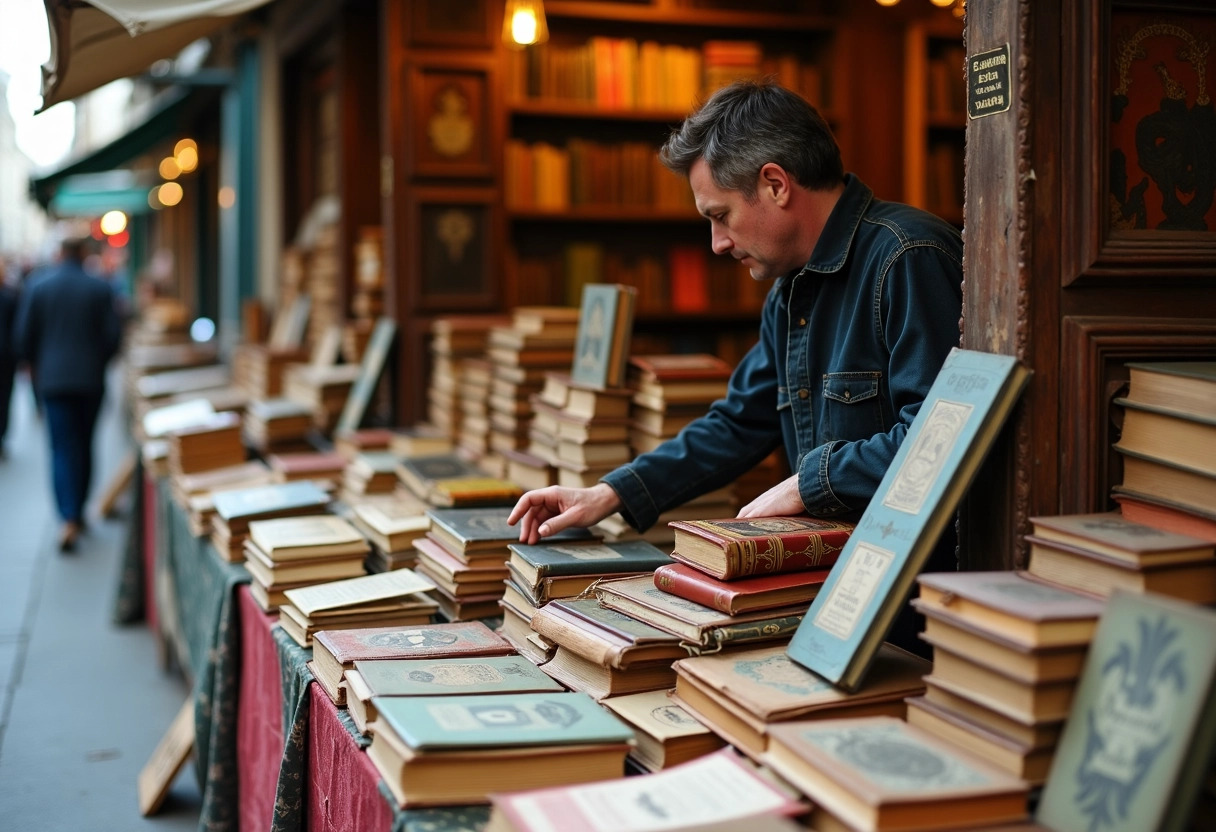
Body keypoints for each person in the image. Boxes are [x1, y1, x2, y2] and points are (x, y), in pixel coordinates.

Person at [508, 80, 964, 653]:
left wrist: (810, 483)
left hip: (921, 618)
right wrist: (611, 493)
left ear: (775, 184)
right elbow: (737, 423)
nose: (718, 243)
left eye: (720, 215)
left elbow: (948, 440)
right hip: (837, 600)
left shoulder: (909, 258)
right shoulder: (790, 289)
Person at [14, 237, 123, 551]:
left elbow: (24, 337)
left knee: (62, 446)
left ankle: (68, 515)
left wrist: (37, 364)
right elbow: (113, 338)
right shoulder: (100, 287)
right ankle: (78, 509)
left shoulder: (39, 286)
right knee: (85, 443)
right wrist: (96, 362)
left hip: (54, 380)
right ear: (84, 253)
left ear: (60, 254)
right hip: (89, 379)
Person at [0, 261, 18, 457]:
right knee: (4, 398)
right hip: (5, 356)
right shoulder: (9, 296)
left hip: (6, 355)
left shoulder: (10, 296)